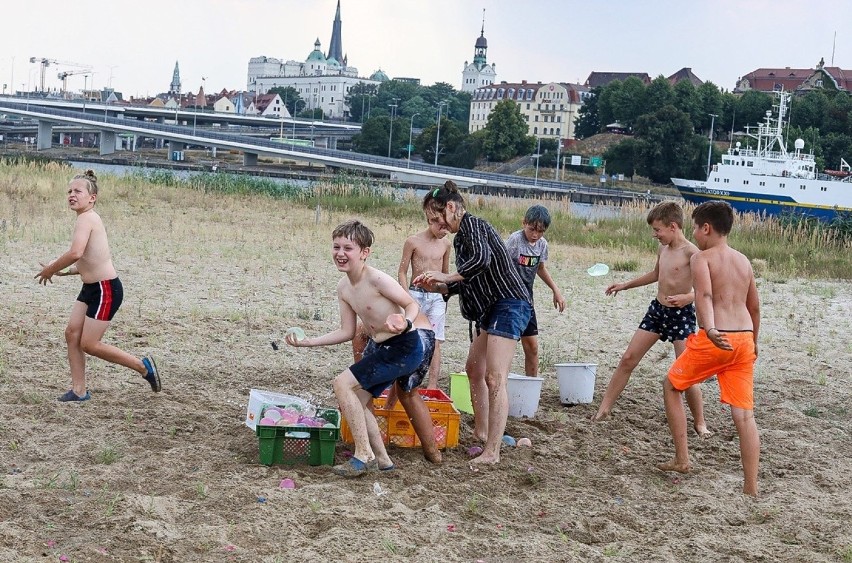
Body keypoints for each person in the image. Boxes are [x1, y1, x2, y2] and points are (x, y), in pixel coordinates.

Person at [286, 220, 439, 476]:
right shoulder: (344, 288)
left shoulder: (377, 279)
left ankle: (363, 454)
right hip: (385, 348)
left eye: (348, 248)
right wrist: (309, 342)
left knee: (342, 383)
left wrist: (405, 321)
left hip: (404, 346)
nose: (340, 254)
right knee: (357, 399)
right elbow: (346, 331)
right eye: (336, 247)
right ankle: (383, 460)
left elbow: (411, 304)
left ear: (364, 252)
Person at [413, 181, 531, 466]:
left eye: (436, 217)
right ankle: (482, 431)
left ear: (452, 208)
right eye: (430, 221)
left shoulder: (474, 225)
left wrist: (447, 277)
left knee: (495, 376)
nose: (435, 225)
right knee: (473, 369)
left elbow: (481, 260)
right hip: (491, 308)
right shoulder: (459, 239)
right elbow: (466, 282)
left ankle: (492, 452)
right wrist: (435, 286)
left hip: (510, 303)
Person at [658, 201, 761, 497]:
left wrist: (711, 329)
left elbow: (703, 295)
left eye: (695, 227)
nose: (694, 233)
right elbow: (754, 306)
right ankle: (751, 488)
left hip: (718, 337)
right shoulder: (743, 261)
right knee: (744, 416)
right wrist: (754, 341)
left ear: (707, 228)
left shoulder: (702, 258)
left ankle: (682, 459)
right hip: (743, 339)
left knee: (671, 385)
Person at [35, 170, 161, 402]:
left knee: (90, 344)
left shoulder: (88, 218)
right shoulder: (85, 219)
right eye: (69, 192)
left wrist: (50, 269)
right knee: (72, 333)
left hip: (106, 290)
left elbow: (76, 253)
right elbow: (92, 259)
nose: (72, 195)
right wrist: (67, 271)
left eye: (78, 191)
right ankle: (79, 391)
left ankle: (142, 367)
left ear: (92, 198)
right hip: (91, 288)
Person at [592, 201, 709, 437]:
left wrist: (688, 297)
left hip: (682, 315)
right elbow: (656, 274)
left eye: (658, 230)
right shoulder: (663, 250)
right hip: (658, 311)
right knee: (628, 358)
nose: (655, 235)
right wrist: (625, 285)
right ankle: (604, 409)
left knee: (686, 371)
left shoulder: (692, 253)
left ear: (673, 226)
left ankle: (700, 423)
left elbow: (707, 288)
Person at [504, 205, 566, 377]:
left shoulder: (542, 245)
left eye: (540, 231)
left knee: (532, 346)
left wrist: (556, 290)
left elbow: (540, 268)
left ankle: (531, 385)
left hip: (527, 299)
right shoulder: (515, 241)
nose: (535, 235)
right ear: (524, 223)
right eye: (532, 229)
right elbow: (502, 267)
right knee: (506, 346)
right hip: (509, 299)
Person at [397, 206, 452, 388]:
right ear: (431, 221)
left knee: (435, 340)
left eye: (447, 227)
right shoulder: (413, 242)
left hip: (436, 297)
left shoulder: (446, 244)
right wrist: (407, 297)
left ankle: (432, 386)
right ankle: (405, 380)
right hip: (415, 294)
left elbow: (446, 274)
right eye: (441, 226)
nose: (445, 231)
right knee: (411, 335)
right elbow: (402, 272)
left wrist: (445, 294)